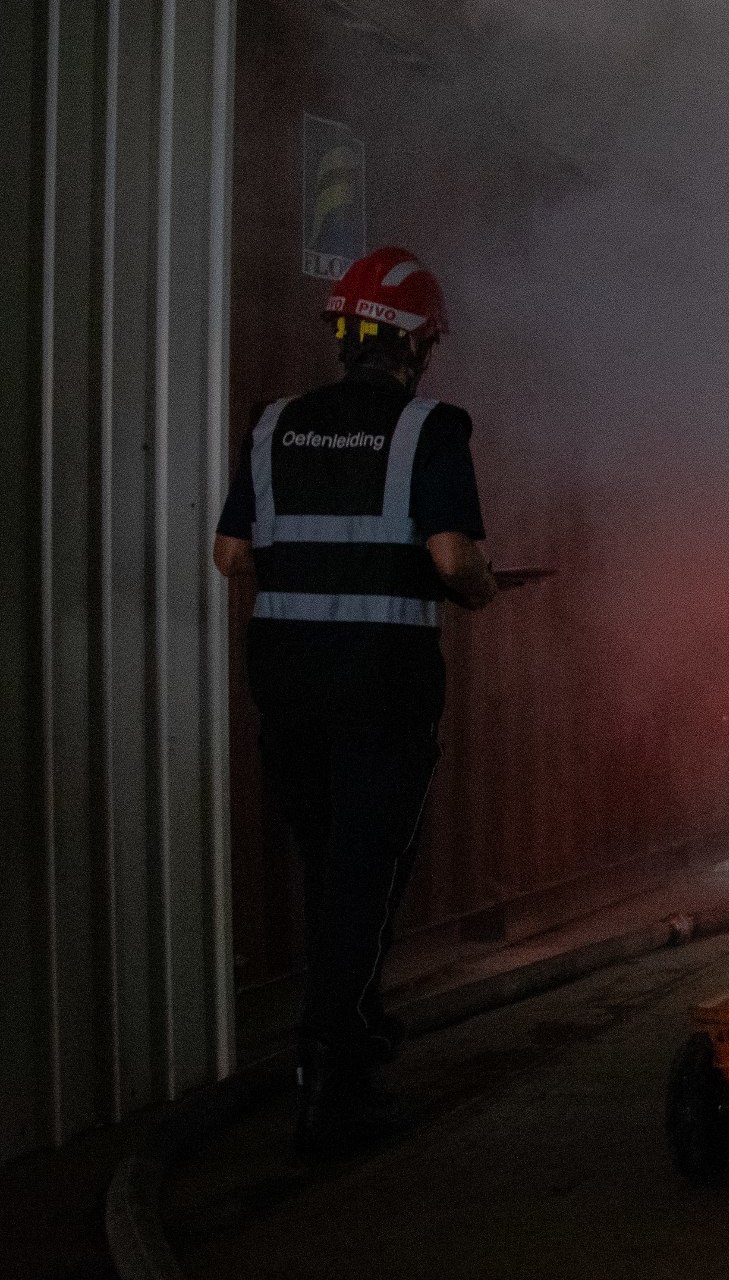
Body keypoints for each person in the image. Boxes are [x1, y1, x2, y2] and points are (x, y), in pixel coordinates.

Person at [212, 246, 521, 1154]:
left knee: (325, 875)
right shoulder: (430, 429)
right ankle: (336, 1081)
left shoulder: (273, 427)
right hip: (381, 693)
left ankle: (342, 1048)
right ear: (418, 345)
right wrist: (483, 588)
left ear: (345, 336)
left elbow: (232, 555)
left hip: (288, 691)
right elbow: (453, 560)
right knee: (366, 883)